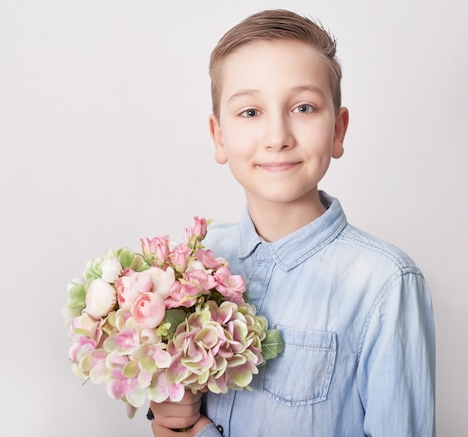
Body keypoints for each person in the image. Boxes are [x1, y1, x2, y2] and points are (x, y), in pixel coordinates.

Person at [149, 9, 435, 437]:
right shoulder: (192, 261)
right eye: (250, 112)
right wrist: (168, 413)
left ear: (338, 131)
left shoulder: (385, 284)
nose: (277, 135)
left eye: (303, 107)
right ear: (219, 136)